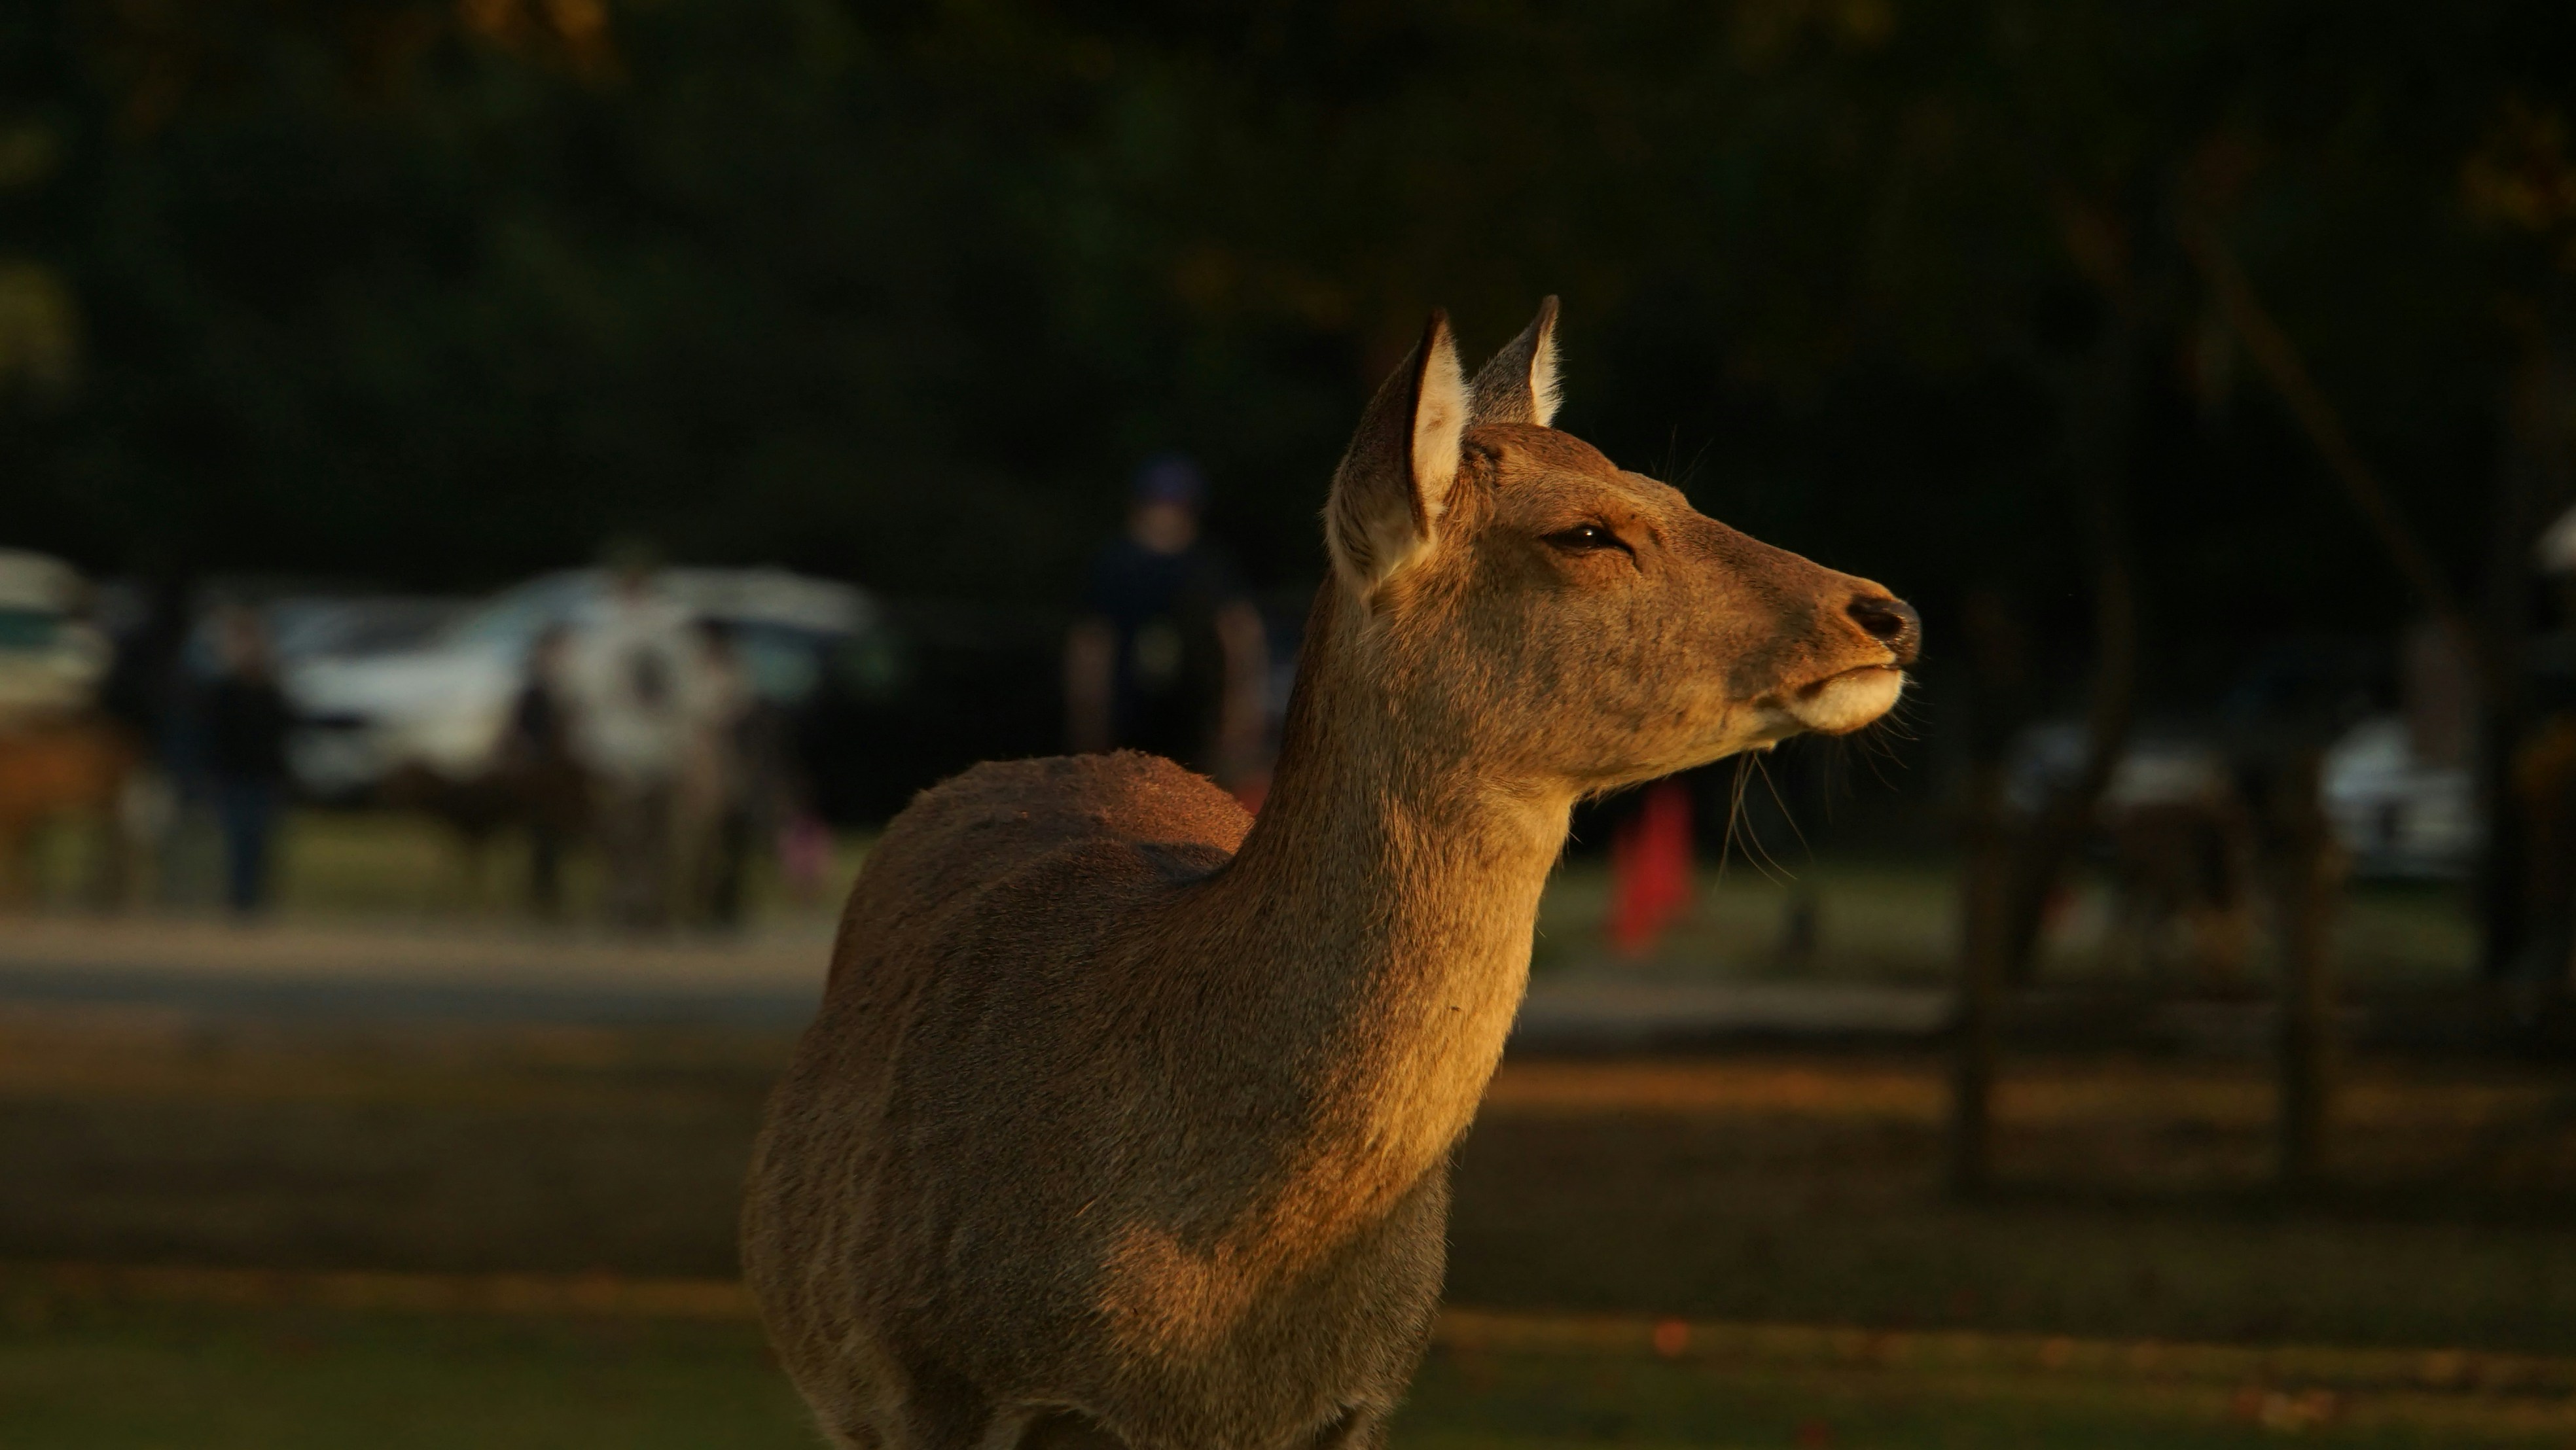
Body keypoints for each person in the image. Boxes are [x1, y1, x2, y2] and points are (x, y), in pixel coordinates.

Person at [1064, 454, 1269, 796]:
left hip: (1194, 722)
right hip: (1130, 724)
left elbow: (1241, 638)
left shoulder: (1208, 567)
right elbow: (1090, 647)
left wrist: (1240, 715)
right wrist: (1088, 719)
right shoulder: (1115, 565)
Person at [565, 545, 706, 930]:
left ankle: (649, 904)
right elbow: (587, 687)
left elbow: (685, 686)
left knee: (653, 833)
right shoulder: (605, 623)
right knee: (621, 833)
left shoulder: (667, 625)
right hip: (616, 746)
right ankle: (626, 900)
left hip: (656, 744)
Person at [200, 605, 293, 915]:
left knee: (261, 842)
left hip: (264, 777)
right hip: (235, 777)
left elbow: (284, 733)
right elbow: (213, 738)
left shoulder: (271, 692)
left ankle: (254, 900)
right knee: (238, 841)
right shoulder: (224, 693)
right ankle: (239, 901)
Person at [500, 623, 587, 919]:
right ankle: (542, 895)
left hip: (570, 775)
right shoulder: (533, 695)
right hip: (540, 777)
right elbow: (519, 733)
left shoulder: (575, 695)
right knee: (541, 839)